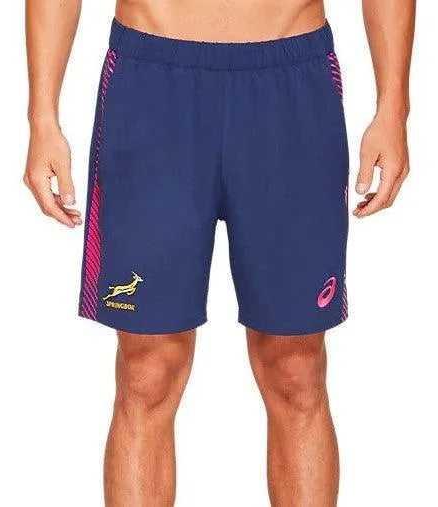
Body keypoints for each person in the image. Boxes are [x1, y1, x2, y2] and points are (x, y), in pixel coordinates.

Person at [24, 0, 414, 504]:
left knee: (296, 367)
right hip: (151, 85)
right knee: (147, 370)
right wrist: (42, 117)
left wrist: (393, 107)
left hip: (291, 81)